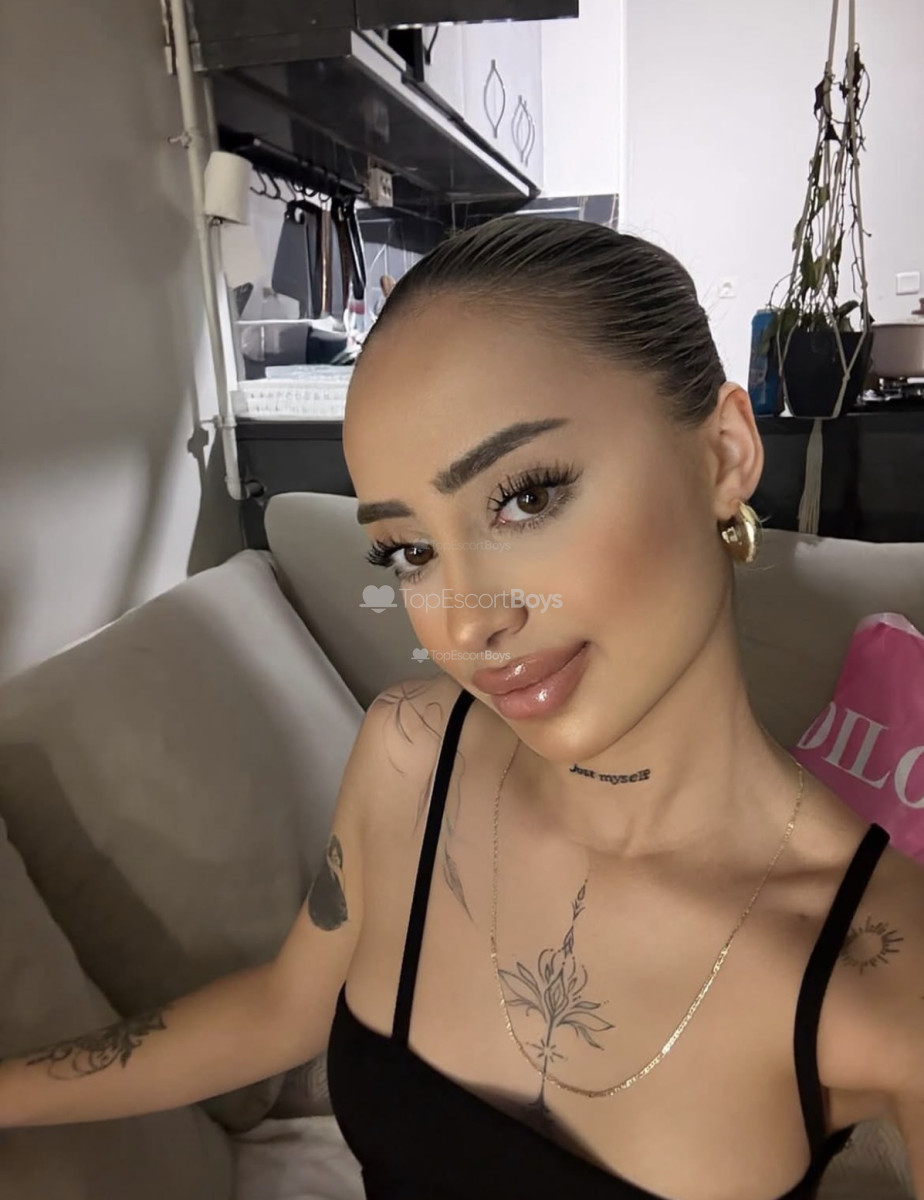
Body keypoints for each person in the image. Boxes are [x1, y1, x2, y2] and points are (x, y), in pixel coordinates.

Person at [1, 216, 922, 1199]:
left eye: (525, 498)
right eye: (410, 551)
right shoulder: (411, 753)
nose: (466, 621)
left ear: (724, 456)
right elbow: (283, 1009)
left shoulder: (885, 974)